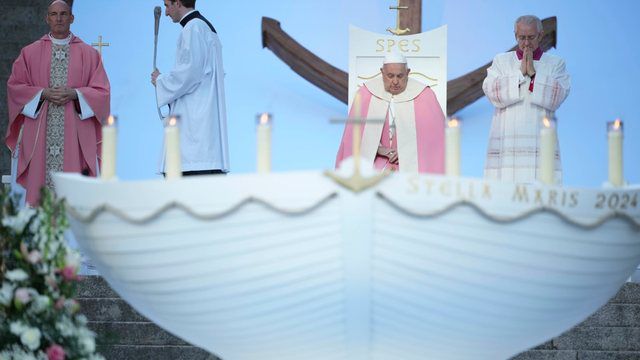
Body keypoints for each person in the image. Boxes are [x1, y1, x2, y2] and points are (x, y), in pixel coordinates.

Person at [6, 0, 110, 205]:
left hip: (75, 134)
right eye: (53, 14)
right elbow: (15, 87)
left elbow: (102, 93)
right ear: (47, 18)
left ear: (72, 18)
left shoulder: (89, 54)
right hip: (40, 132)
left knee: (73, 198)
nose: (59, 19)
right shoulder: (30, 52)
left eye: (63, 14)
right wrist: (42, 93)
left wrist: (75, 94)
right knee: (41, 198)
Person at [483, 15, 571, 183]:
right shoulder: (502, 61)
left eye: (531, 37)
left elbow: (558, 97)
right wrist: (519, 75)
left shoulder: (555, 64)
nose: (526, 43)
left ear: (541, 35)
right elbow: (490, 91)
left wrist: (533, 73)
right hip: (507, 141)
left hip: (540, 140)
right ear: (515, 35)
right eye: (521, 38)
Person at [151, 0, 229, 176]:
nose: (166, 12)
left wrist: (161, 80)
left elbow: (189, 73)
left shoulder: (193, 29)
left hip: (194, 132)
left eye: (167, 5)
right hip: (205, 127)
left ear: (178, 3)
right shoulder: (205, 28)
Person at [335, 52, 445, 173]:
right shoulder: (366, 93)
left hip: (414, 167)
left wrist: (405, 150)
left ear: (408, 73)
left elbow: (436, 140)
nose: (395, 81)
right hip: (376, 165)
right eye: (390, 76)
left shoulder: (425, 95)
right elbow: (352, 137)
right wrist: (379, 149)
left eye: (400, 76)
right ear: (382, 72)